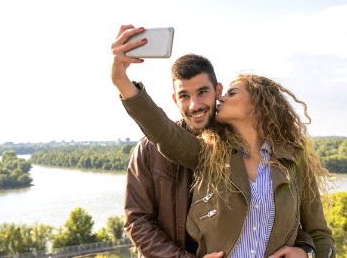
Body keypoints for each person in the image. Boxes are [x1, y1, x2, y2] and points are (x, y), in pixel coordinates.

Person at [114, 25, 322, 257]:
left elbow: (303, 228)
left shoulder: (288, 158)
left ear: (217, 90)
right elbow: (163, 133)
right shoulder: (191, 151)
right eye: (184, 95)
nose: (195, 105)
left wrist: (306, 252)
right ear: (175, 98)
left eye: (203, 92)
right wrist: (122, 80)